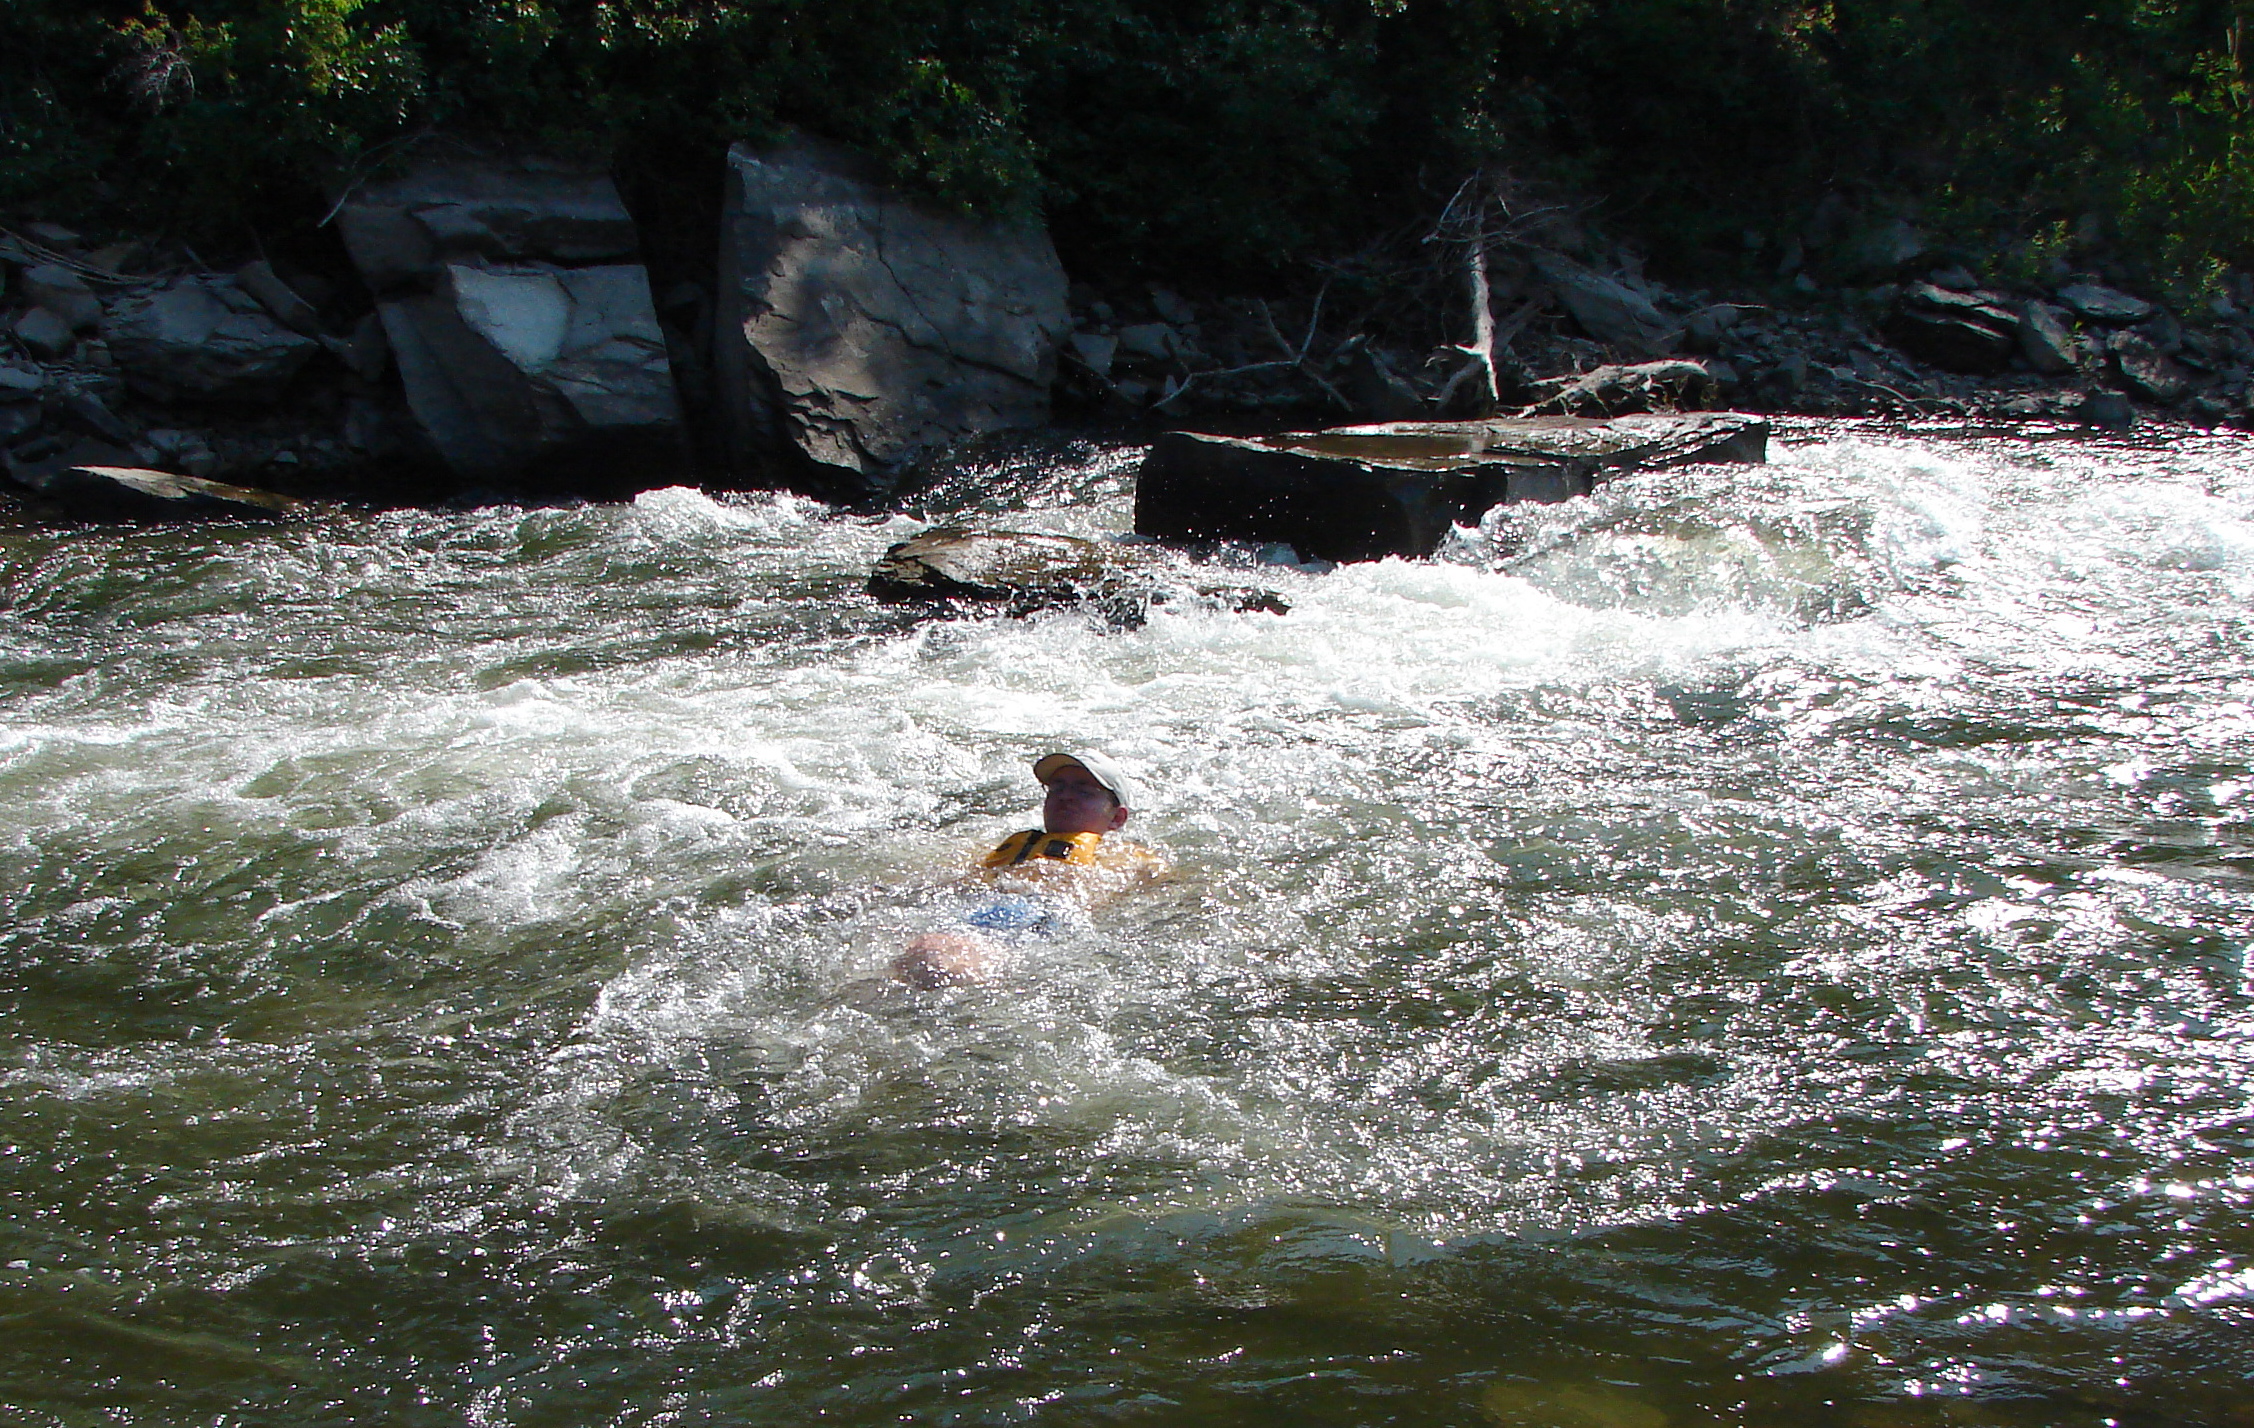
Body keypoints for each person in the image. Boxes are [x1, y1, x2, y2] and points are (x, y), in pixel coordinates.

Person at [889, 750, 1164, 988]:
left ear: (1117, 817)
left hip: (1040, 922)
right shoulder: (1002, 849)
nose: (1066, 796)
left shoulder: (1129, 856)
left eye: (1084, 790)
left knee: (934, 959)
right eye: (1058, 787)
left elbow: (1172, 893)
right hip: (973, 911)